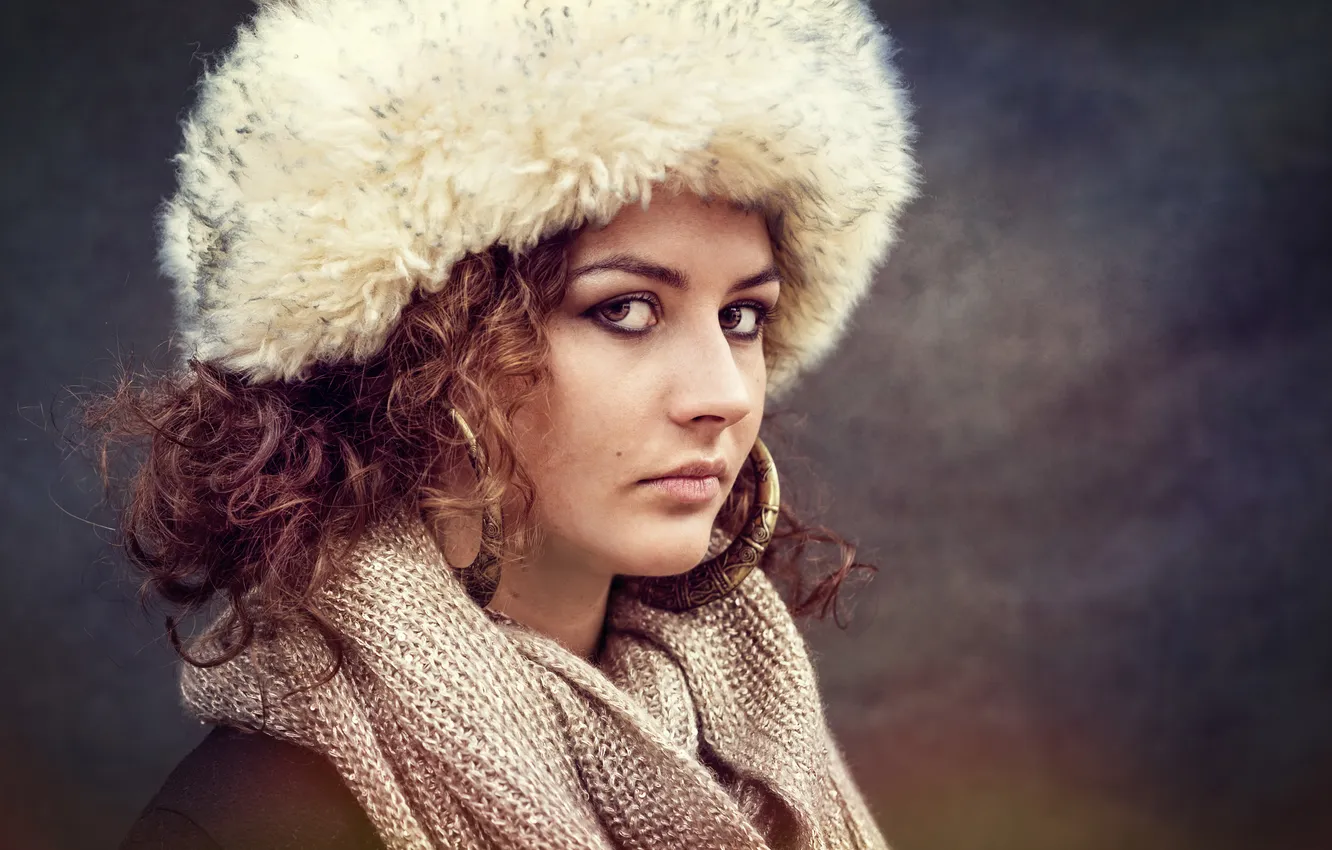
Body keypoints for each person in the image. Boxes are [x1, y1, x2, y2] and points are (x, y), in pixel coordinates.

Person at [91, 0, 919, 847]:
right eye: (627, 309)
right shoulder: (250, 823)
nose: (726, 394)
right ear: (423, 347)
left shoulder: (759, 748)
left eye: (742, 317)